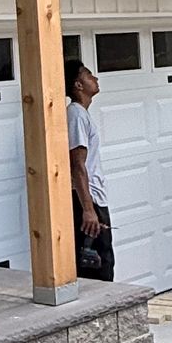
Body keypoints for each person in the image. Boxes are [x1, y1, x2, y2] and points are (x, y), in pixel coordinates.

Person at [65, 57, 114, 281]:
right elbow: (77, 164)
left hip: (94, 197)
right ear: (78, 85)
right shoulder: (75, 114)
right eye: (88, 75)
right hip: (88, 199)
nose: (95, 78)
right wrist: (87, 209)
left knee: (103, 259)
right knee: (97, 264)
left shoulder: (82, 114)